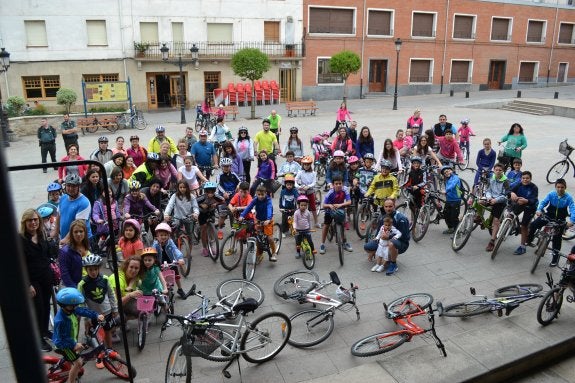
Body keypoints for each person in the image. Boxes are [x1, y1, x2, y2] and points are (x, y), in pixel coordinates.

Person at [52, 287, 104, 383]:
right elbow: (62, 338)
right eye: (73, 306)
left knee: (79, 352)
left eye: (76, 305)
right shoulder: (60, 320)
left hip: (71, 340)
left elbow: (83, 311)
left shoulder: (71, 309)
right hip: (63, 345)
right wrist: (73, 344)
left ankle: (71, 365)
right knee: (78, 363)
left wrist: (96, 315)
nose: (75, 307)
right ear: (64, 305)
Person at [21, 208, 55, 352]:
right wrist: (27, 284)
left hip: (46, 276)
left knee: (47, 305)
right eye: (30, 220)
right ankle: (38, 338)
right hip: (32, 279)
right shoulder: (21, 240)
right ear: (25, 222)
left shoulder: (41, 235)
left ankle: (45, 330)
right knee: (38, 307)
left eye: (35, 219)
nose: (33, 222)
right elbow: (19, 265)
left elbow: (48, 255)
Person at [527, 178, 575, 266]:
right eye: (558, 187)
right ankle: (529, 240)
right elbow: (543, 202)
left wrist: (572, 221)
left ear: (565, 187)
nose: (560, 189)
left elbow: (573, 209)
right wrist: (539, 210)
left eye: (562, 187)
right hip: (548, 216)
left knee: (557, 240)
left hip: (560, 220)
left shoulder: (568, 198)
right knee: (534, 224)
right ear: (555, 187)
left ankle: (555, 259)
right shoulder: (551, 194)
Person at [77, 254, 119, 352]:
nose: (93, 272)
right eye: (90, 270)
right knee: (97, 334)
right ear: (86, 270)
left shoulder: (105, 279)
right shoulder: (82, 284)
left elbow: (111, 294)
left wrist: (115, 308)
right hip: (93, 314)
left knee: (108, 331)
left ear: (99, 268)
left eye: (95, 269)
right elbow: (81, 303)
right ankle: (100, 353)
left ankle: (110, 349)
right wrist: (87, 318)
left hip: (107, 311)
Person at [363, 198, 410, 276]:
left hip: (401, 243)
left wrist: (389, 237)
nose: (388, 208)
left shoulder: (401, 218)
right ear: (384, 207)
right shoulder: (383, 217)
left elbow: (404, 237)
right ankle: (386, 257)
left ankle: (393, 264)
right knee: (367, 247)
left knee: (391, 244)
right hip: (385, 241)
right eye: (386, 206)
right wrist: (376, 239)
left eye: (390, 206)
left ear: (394, 206)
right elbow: (379, 232)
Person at [239, 184, 278, 262]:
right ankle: (259, 254)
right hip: (258, 220)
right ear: (256, 194)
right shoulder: (255, 200)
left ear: (265, 194)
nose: (260, 196)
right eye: (258, 194)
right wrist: (242, 215)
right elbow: (248, 207)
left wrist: (268, 219)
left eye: (262, 194)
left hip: (267, 221)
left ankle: (274, 253)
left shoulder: (268, 200)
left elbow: (269, 209)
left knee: (270, 238)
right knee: (258, 238)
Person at [151, 223, 187, 298]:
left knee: (176, 275)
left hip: (170, 261)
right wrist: (152, 261)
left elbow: (175, 249)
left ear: (168, 235)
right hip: (160, 262)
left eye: (165, 235)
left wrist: (180, 258)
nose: (163, 237)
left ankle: (180, 289)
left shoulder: (170, 242)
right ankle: (163, 289)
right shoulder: (156, 244)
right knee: (160, 277)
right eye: (161, 235)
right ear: (157, 236)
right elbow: (152, 252)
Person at [319, 176, 353, 254]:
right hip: (329, 210)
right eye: (336, 184)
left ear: (342, 184)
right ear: (333, 185)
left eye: (340, 183)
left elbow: (349, 202)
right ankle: (322, 244)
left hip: (340, 209)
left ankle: (344, 242)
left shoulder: (345, 190)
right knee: (326, 225)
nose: (338, 185)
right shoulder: (330, 192)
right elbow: (323, 205)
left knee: (343, 224)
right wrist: (329, 206)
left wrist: (340, 205)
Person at [482, 163, 510, 252]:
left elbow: (505, 195)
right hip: (491, 198)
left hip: (500, 202)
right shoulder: (492, 178)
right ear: (494, 170)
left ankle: (492, 241)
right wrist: (489, 197)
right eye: (496, 170)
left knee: (496, 221)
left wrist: (496, 200)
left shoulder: (506, 181)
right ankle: (479, 217)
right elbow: (488, 190)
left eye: (500, 170)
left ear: (503, 171)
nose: (498, 171)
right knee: (478, 202)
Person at [56, 174, 92, 241]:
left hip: (81, 241)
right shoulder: (63, 198)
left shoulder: (84, 202)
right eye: (68, 186)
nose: (70, 189)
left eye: (74, 186)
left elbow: (78, 226)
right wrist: (55, 234)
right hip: (65, 239)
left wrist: (65, 239)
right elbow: (58, 216)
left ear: (79, 187)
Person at [509, 171, 539, 255]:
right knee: (510, 214)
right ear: (521, 179)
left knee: (524, 226)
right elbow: (509, 190)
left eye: (527, 178)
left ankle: (522, 247)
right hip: (520, 204)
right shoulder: (519, 184)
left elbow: (534, 200)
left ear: (530, 179)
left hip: (530, 206)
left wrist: (527, 201)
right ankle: (508, 226)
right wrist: (512, 193)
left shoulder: (534, 187)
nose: (525, 180)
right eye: (523, 178)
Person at [59, 220, 91, 288]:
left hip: (88, 285)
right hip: (73, 287)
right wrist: (75, 289)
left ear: (85, 232)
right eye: (75, 232)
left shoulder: (87, 246)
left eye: (81, 231)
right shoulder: (64, 251)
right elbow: (65, 274)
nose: (78, 234)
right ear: (71, 234)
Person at [196, 182, 225, 257]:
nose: (210, 193)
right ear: (205, 191)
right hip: (202, 214)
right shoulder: (202, 197)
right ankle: (205, 248)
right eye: (208, 191)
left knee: (211, 230)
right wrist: (201, 205)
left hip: (211, 213)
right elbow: (193, 203)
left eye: (212, 191)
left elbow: (223, 200)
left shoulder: (216, 196)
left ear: (214, 191)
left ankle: (211, 246)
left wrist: (216, 204)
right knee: (204, 228)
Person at [215, 157, 241, 236]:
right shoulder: (220, 175)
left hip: (233, 197)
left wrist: (238, 186)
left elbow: (239, 181)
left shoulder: (233, 174)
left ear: (230, 166)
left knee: (234, 215)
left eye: (228, 166)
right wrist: (224, 193)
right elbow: (218, 185)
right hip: (223, 198)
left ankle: (234, 230)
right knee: (222, 216)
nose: (226, 168)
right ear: (222, 167)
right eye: (224, 166)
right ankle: (220, 230)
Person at [295, 156, 321, 228]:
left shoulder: (313, 173)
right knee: (299, 207)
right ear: (302, 165)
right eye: (305, 164)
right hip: (302, 192)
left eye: (308, 164)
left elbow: (314, 182)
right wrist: (298, 186)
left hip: (310, 191)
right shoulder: (300, 172)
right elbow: (295, 181)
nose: (306, 166)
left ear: (310, 165)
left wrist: (308, 186)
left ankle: (316, 222)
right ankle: (298, 223)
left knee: (313, 207)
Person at [440, 165, 464, 235]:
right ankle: (450, 228)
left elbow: (452, 185)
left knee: (454, 216)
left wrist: (446, 191)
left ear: (451, 170)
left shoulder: (456, 178)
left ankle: (457, 232)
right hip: (449, 200)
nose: (446, 173)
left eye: (447, 171)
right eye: (444, 173)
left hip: (456, 200)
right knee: (446, 214)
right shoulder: (446, 179)